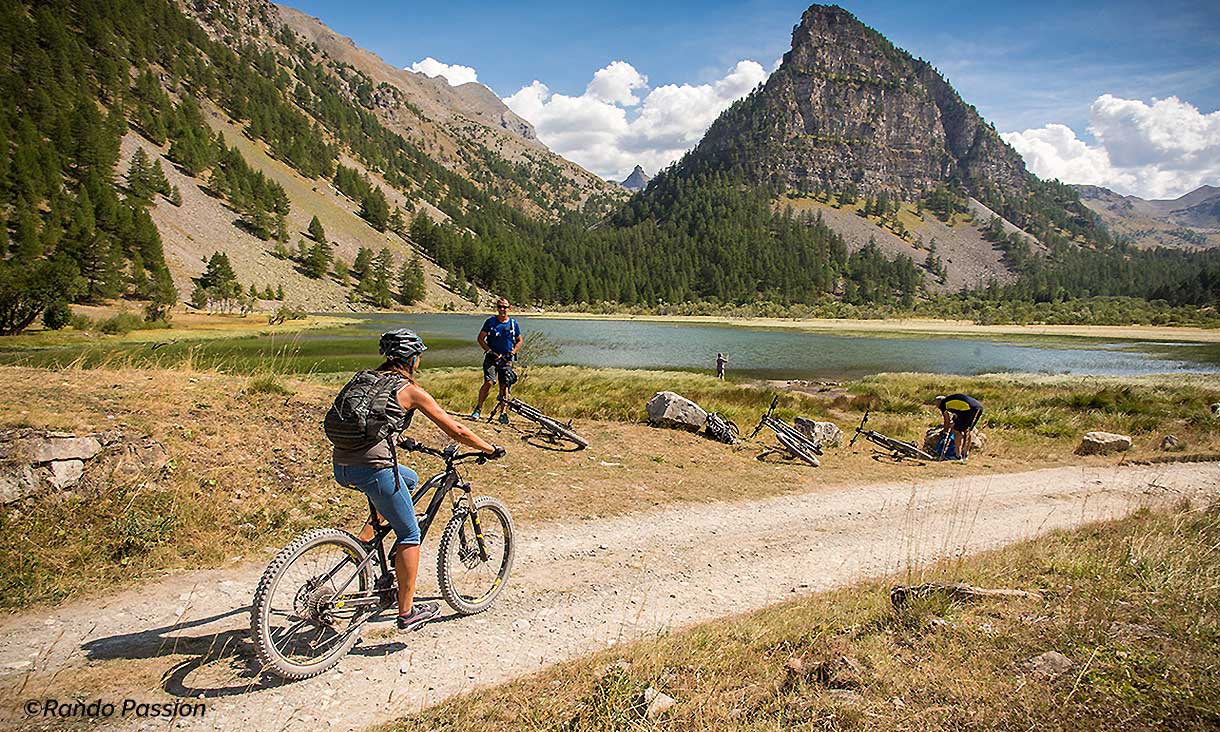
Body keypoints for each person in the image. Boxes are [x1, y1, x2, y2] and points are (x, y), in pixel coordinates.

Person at [330, 329, 502, 632]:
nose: (420, 358)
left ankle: (365, 543)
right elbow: (457, 431)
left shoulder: (365, 378)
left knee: (408, 478)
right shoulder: (410, 391)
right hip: (374, 469)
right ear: (411, 358)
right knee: (410, 534)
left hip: (342, 465)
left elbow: (369, 419)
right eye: (418, 354)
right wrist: (488, 448)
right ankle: (407, 613)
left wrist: (401, 439)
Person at [471, 298, 522, 423]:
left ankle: (503, 413)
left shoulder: (513, 324)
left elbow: (520, 340)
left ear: (509, 309)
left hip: (506, 359)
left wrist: (513, 352)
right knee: (489, 382)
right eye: (500, 307)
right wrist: (489, 351)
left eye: (505, 307)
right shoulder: (490, 322)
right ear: (497, 308)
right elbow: (480, 338)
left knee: (504, 386)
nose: (502, 309)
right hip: (491, 358)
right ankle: (478, 408)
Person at [935, 393, 983, 460]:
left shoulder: (943, 404)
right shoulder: (951, 399)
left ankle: (958, 456)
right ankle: (965, 454)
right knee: (968, 430)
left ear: (939, 403)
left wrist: (944, 432)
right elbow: (958, 412)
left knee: (956, 431)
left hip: (968, 409)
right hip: (978, 408)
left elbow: (947, 420)